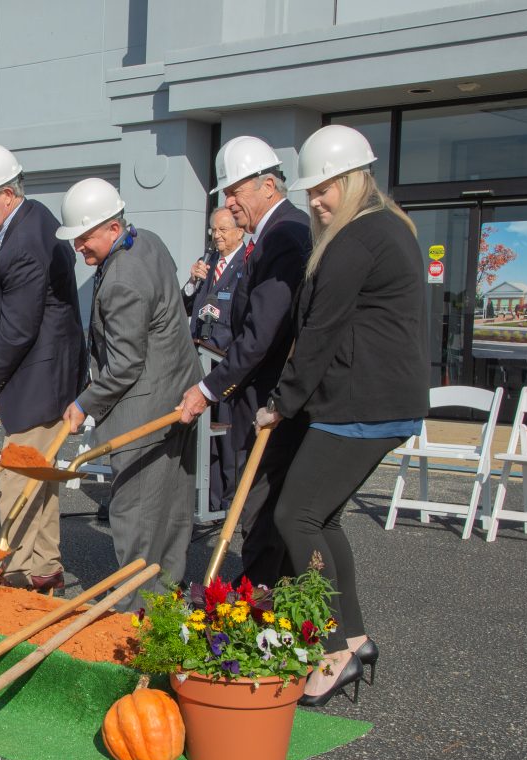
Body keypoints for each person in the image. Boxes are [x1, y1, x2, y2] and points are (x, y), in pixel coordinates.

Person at [254, 125, 427, 705]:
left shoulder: (358, 238)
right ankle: (354, 637)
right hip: (373, 400)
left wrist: (281, 403)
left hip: (359, 402)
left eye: (326, 188)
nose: (317, 200)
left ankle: (332, 650)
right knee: (320, 518)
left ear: (355, 179)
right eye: (311, 192)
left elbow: (321, 331)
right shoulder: (384, 227)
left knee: (294, 516)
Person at [57, 179, 201, 612]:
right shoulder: (150, 242)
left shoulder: (122, 278)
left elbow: (124, 364)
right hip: (179, 393)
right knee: (172, 508)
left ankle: (135, 611)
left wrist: (84, 403)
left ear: (113, 228)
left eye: (85, 237)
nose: (80, 247)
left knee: (134, 511)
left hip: (144, 407)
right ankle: (166, 603)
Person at [176, 136, 310, 587]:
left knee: (260, 507)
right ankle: (267, 602)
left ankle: (256, 607)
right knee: (260, 507)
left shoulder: (285, 235)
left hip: (271, 395)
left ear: (268, 185)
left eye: (235, 192)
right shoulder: (269, 234)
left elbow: (262, 333)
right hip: (254, 390)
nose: (229, 204)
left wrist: (208, 388)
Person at [0, 144, 85, 591]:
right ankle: (44, 566)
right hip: (43, 370)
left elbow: (20, 328)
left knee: (18, 476)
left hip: (40, 373)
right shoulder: (27, 222)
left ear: (7, 194)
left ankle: (16, 566)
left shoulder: (27, 240)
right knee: (37, 478)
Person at [182, 207, 248, 510]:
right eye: (213, 230)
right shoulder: (208, 262)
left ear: (239, 231)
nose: (216, 236)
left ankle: (229, 501)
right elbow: (186, 303)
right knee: (206, 436)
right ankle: (210, 499)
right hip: (201, 357)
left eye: (222, 230)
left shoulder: (247, 264)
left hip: (226, 360)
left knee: (227, 436)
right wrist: (193, 281)